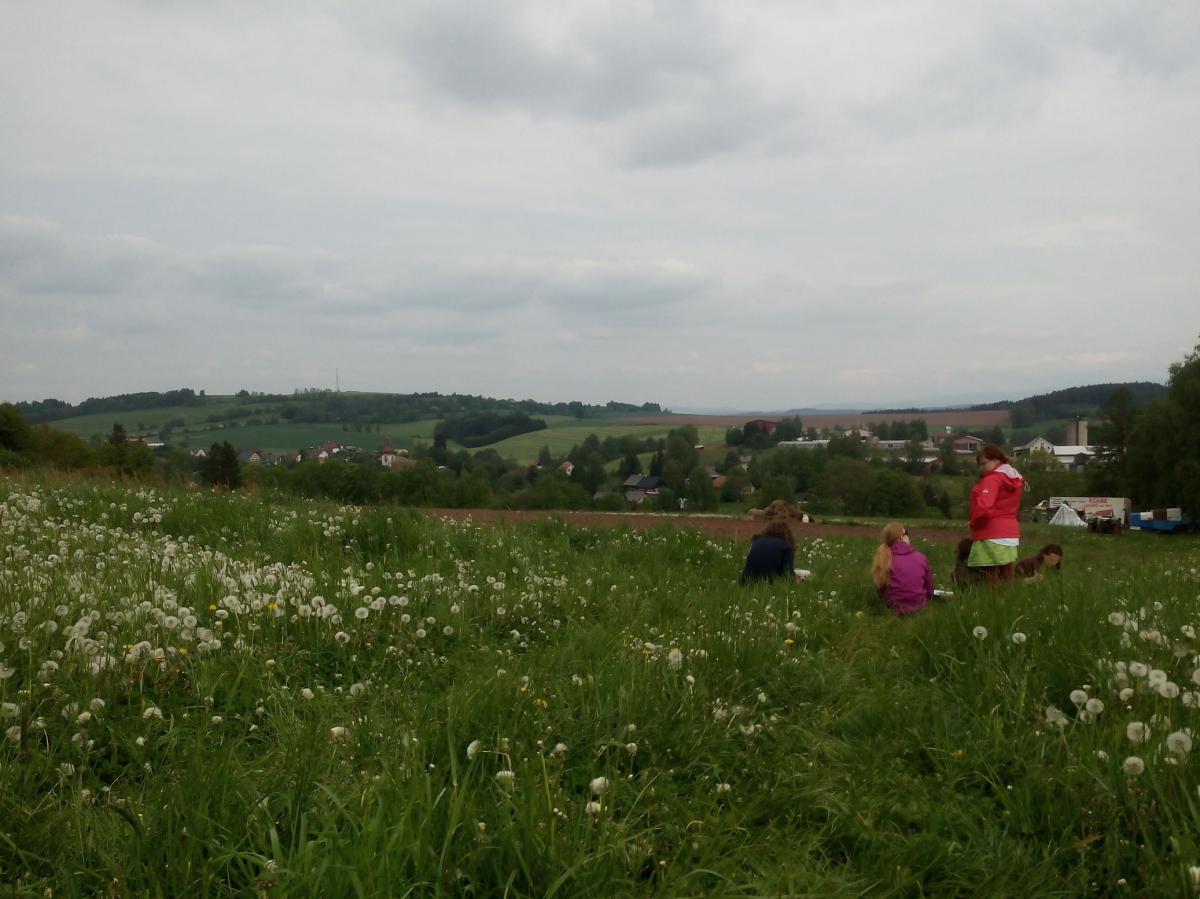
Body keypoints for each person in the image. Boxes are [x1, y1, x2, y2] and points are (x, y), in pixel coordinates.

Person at [967, 444, 1025, 586]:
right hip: (1010, 533)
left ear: (995, 460)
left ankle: (994, 603)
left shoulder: (992, 479)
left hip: (991, 532)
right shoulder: (1013, 478)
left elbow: (985, 508)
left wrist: (973, 523)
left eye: (983, 463)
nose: (982, 468)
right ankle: (1009, 601)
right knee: (1007, 571)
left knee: (990, 573)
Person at [872, 522, 933, 615]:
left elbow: (881, 591)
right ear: (901, 537)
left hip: (894, 610)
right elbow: (929, 588)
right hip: (920, 609)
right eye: (906, 533)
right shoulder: (921, 557)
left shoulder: (883, 559)